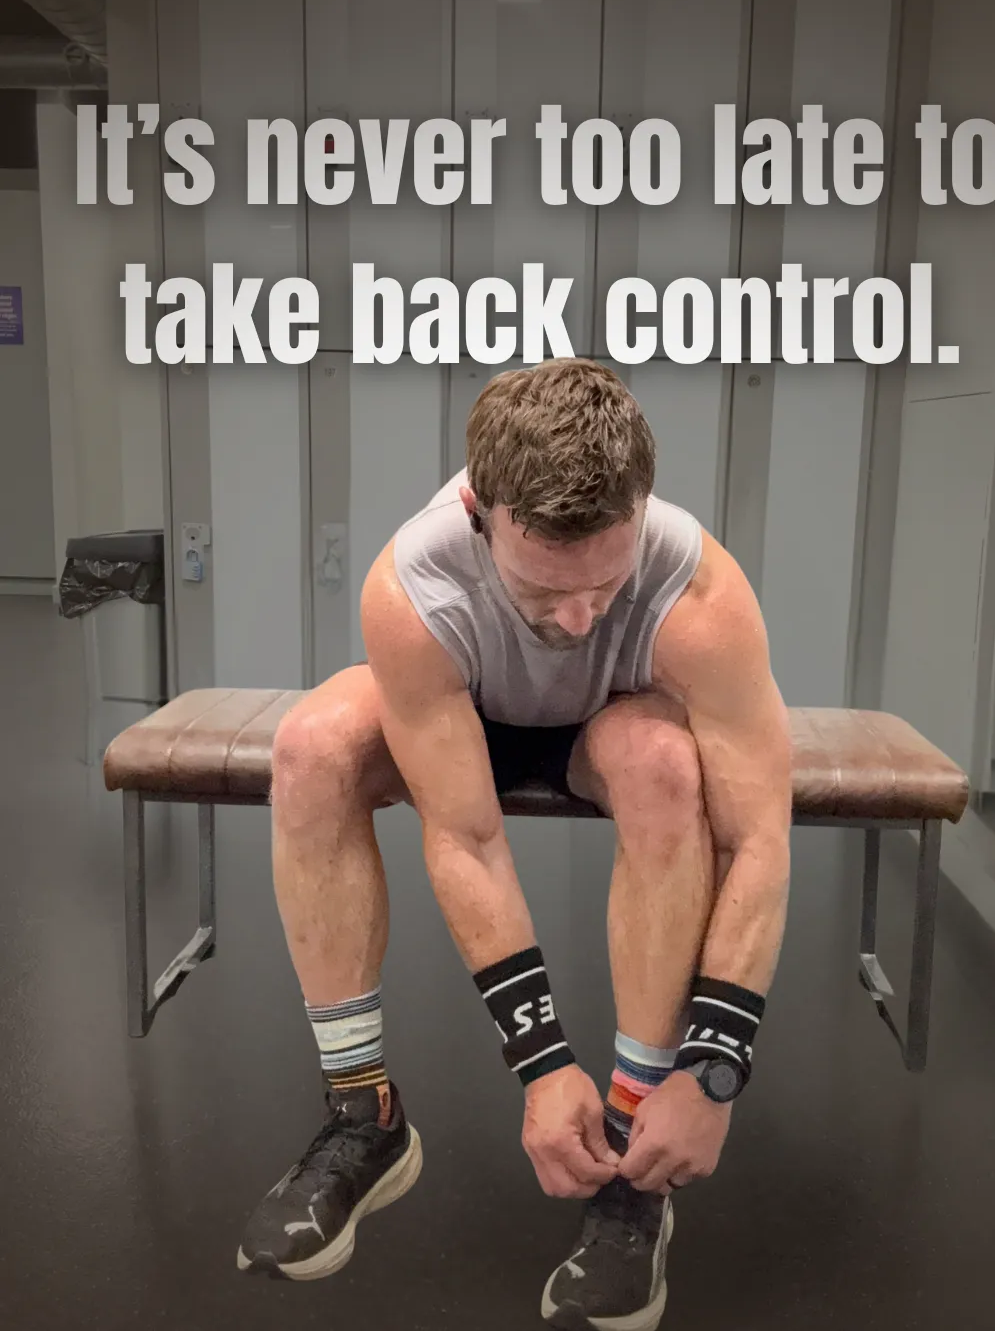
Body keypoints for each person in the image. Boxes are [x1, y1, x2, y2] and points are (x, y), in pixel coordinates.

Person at [237, 357, 792, 1328]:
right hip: (462, 717)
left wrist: (715, 1071)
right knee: (312, 748)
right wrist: (541, 1067)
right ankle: (362, 1115)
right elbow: (468, 837)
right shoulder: (414, 586)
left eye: (603, 587)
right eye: (543, 591)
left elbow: (759, 838)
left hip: (611, 725)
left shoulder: (700, 592)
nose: (577, 620)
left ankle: (634, 1152)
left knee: (666, 769)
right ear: (478, 512)